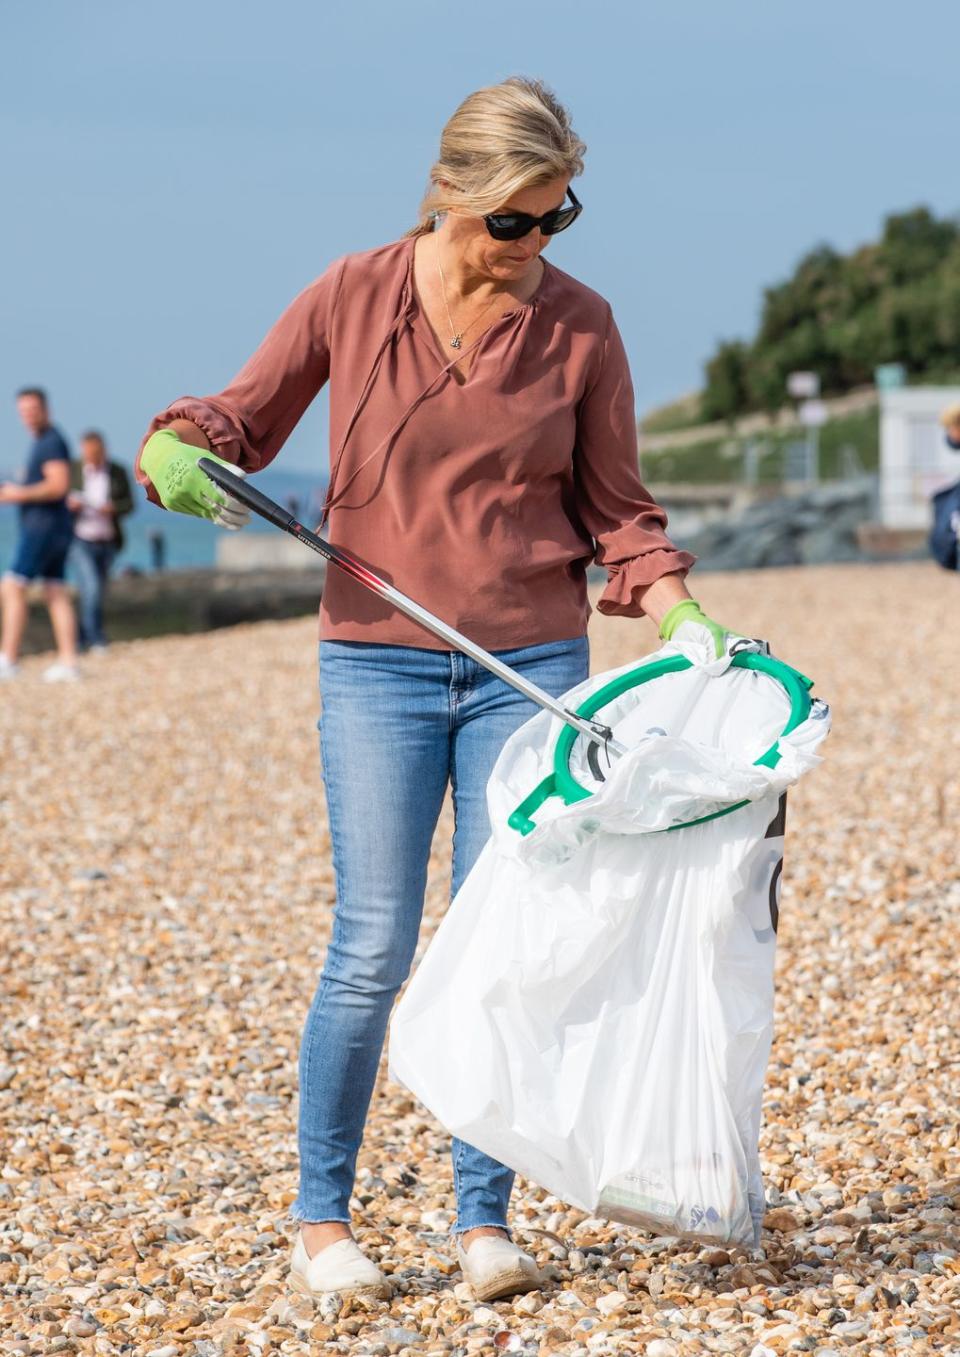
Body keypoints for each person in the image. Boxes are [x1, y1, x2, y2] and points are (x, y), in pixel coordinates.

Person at [135, 76, 740, 1303]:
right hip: (377, 662)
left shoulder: (582, 326)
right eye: (512, 221)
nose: (532, 247)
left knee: (497, 947)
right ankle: (322, 1221)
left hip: (530, 671)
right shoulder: (352, 295)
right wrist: (177, 444)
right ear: (450, 194)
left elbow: (620, 511)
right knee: (372, 944)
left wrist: (679, 610)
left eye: (555, 220)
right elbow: (240, 421)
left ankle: (481, 1223)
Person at [0, 388, 80, 681]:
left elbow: (58, 486)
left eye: (32, 409)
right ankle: (69, 662)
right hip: (55, 527)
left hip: (43, 527)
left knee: (11, 587)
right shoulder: (46, 441)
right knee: (55, 591)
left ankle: (8, 658)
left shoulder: (50, 442)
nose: (28, 415)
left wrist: (16, 494)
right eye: (23, 411)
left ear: (45, 408)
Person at [67, 430, 134, 652]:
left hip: (107, 540)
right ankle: (95, 639)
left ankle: (82, 638)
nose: (92, 456)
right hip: (80, 539)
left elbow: (129, 504)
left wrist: (113, 508)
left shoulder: (117, 471)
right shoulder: (74, 470)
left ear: (103, 451)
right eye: (88, 452)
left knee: (96, 591)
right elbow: (60, 500)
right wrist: (71, 506)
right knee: (92, 588)